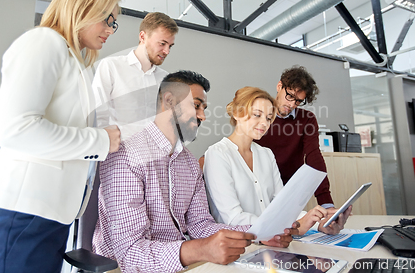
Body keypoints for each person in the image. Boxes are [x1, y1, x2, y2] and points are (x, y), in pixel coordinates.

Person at [0, 0, 122, 273]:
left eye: (115, 22)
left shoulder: (79, 64)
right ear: (83, 7)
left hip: (47, 220)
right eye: (108, 18)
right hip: (16, 218)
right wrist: (100, 141)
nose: (111, 29)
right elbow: (16, 129)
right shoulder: (44, 42)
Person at [93, 72, 299, 273]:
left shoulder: (189, 163)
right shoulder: (126, 155)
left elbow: (201, 225)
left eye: (204, 108)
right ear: (169, 101)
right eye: (196, 105)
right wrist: (199, 249)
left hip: (181, 262)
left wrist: (258, 234)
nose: (203, 116)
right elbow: (130, 254)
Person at [203, 87, 347, 235]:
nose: (264, 123)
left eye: (268, 118)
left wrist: (317, 222)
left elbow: (282, 205)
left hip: (272, 240)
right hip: (238, 245)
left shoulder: (266, 154)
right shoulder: (217, 154)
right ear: (237, 113)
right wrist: (294, 225)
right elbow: (233, 218)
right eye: (257, 115)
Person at [256, 66, 335, 208]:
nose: (292, 104)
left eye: (298, 101)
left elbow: (314, 157)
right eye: (290, 96)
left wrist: (326, 203)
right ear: (279, 86)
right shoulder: (259, 114)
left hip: (289, 191)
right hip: (258, 189)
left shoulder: (307, 119)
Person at [92, 12, 178, 141]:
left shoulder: (166, 79)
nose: (167, 51)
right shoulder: (111, 67)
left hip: (155, 155)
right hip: (118, 153)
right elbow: (98, 115)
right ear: (143, 37)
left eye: (170, 46)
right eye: (162, 44)